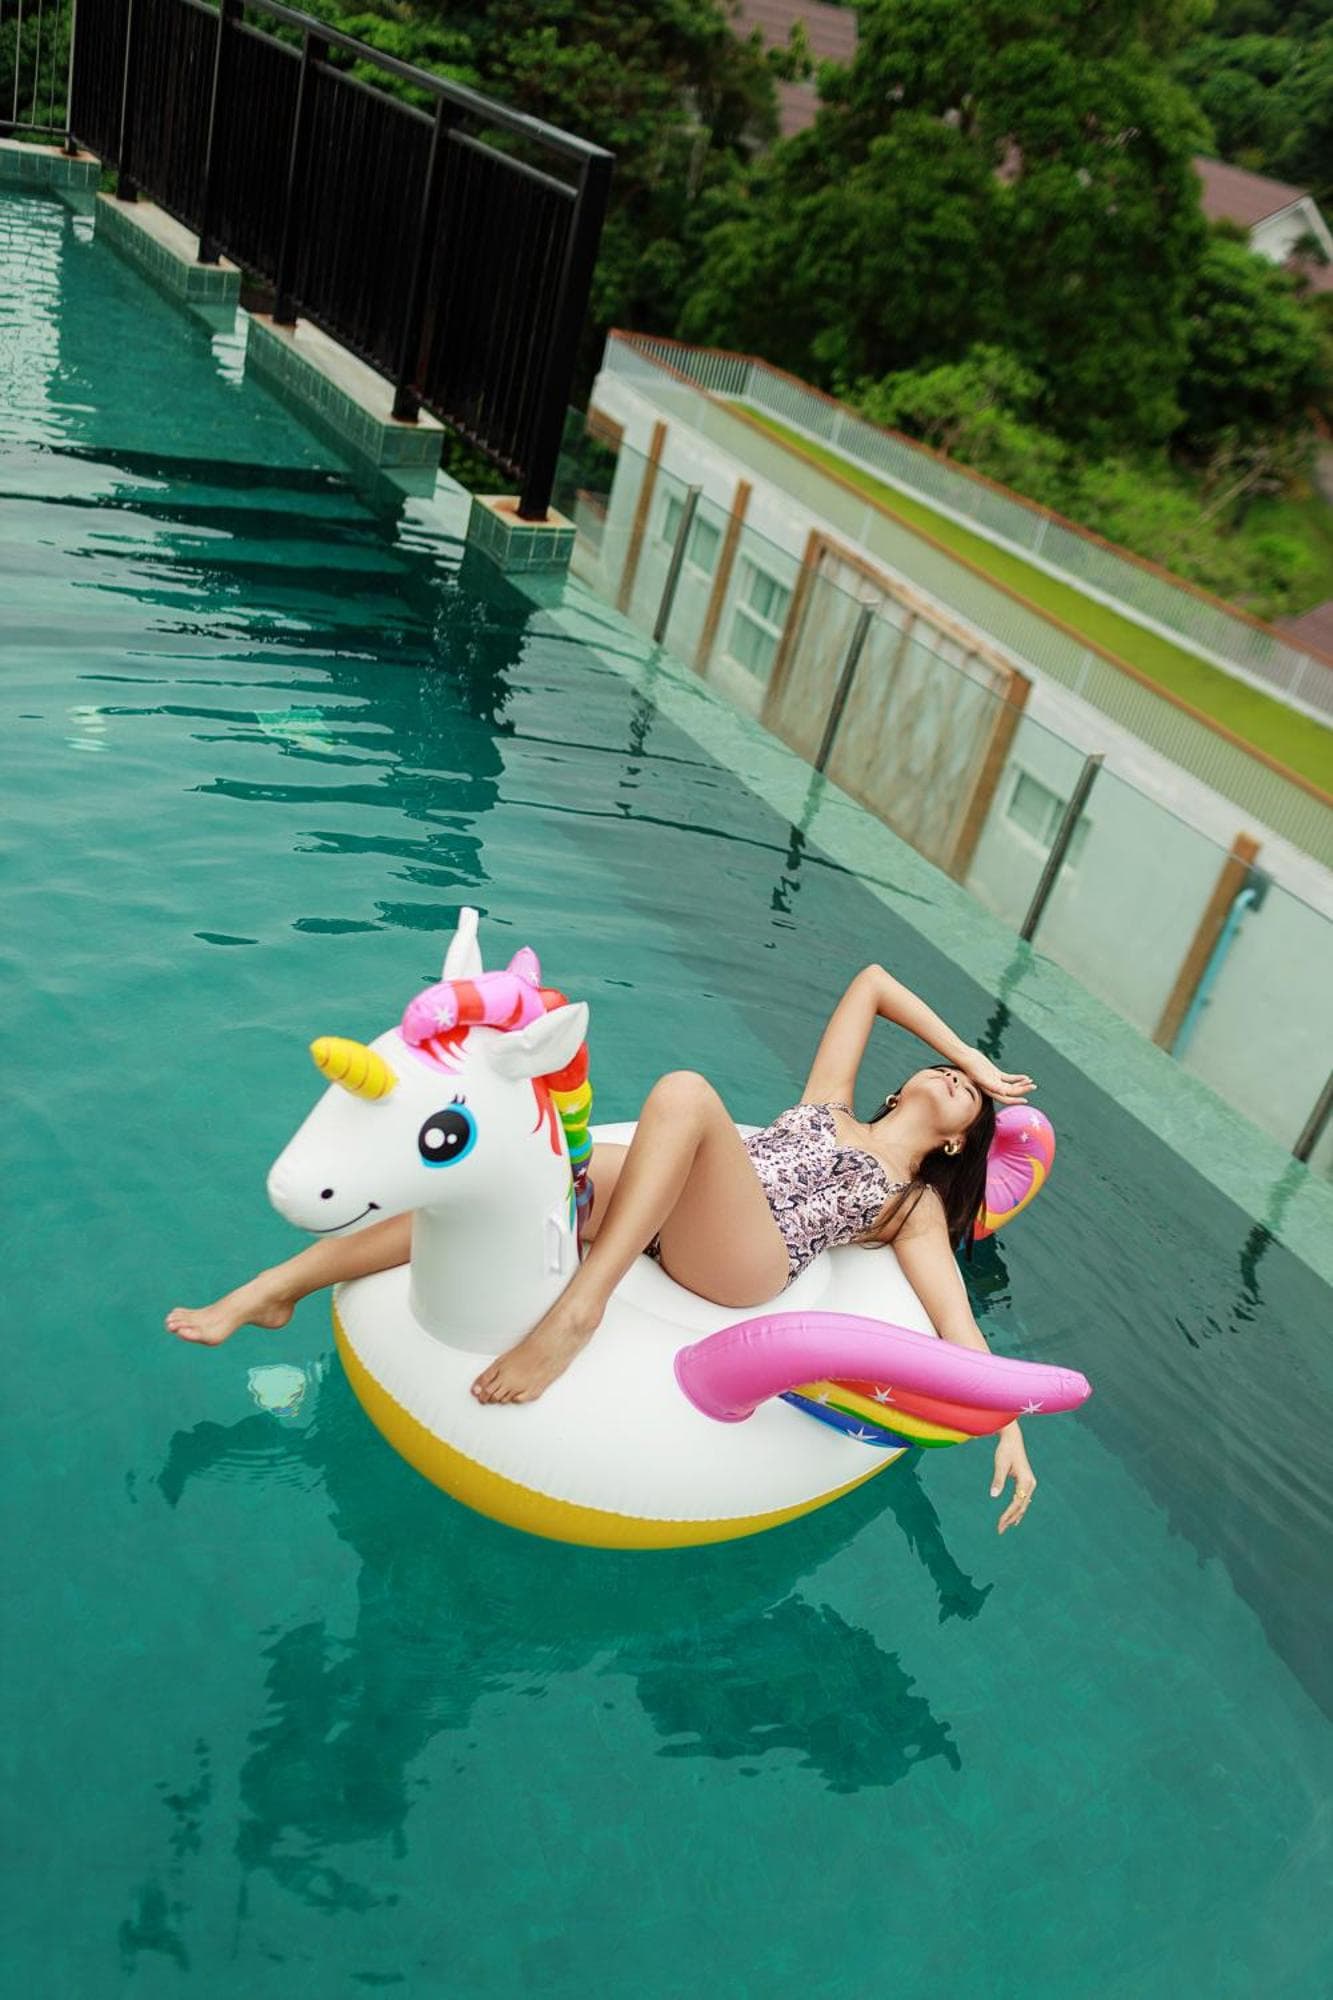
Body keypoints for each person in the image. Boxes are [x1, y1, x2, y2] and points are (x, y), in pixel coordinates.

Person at [167, 963, 1041, 1531]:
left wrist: (1007, 1428)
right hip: (679, 1206)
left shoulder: (912, 1205)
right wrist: (968, 1050)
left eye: (966, 1094)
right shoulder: (829, 1102)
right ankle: (276, 1287)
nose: (952, 1078)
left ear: (956, 1141)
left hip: (746, 1259)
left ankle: (578, 1312)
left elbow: (955, 1325)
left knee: (686, 1092)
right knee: (520, 1189)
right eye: (945, 1069)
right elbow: (871, 983)